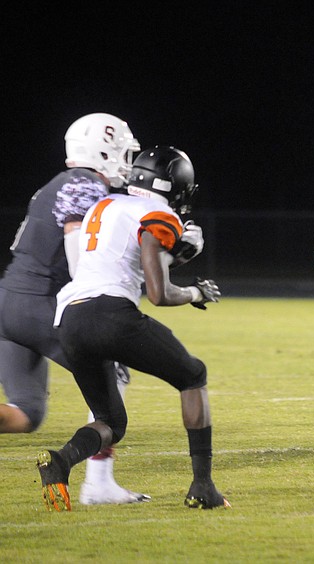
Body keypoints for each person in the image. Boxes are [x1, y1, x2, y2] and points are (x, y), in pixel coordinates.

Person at [35, 145, 228, 512]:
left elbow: (122, 258)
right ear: (175, 185)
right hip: (111, 314)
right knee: (192, 374)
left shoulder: (103, 205)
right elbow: (158, 294)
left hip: (70, 318)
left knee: (110, 421)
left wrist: (177, 253)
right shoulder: (160, 213)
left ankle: (60, 461)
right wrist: (195, 292)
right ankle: (203, 486)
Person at [0, 112, 150, 504]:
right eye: (123, 150)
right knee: (113, 373)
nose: (128, 159)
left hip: (8, 305)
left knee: (26, 414)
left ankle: (99, 484)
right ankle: (98, 485)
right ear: (104, 149)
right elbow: (77, 252)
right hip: (40, 306)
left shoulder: (59, 182)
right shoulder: (84, 184)